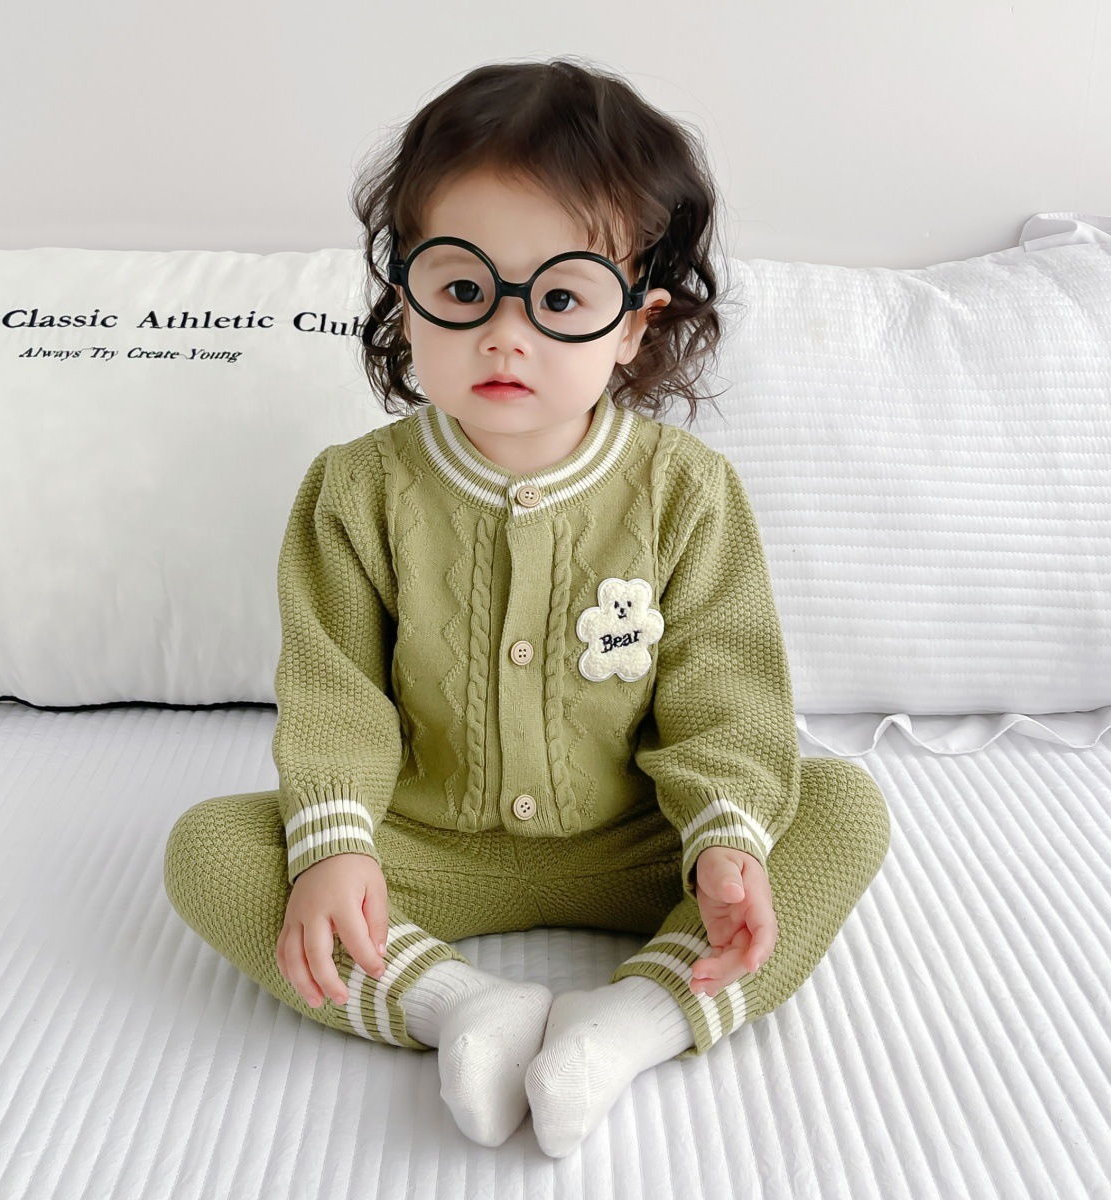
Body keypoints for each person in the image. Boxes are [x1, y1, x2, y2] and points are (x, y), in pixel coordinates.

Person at [163, 57, 890, 1158]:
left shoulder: (685, 492)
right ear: (405, 298)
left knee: (840, 809)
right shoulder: (355, 491)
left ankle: (633, 1019)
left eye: (559, 299)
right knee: (211, 849)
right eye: (464, 291)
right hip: (424, 846)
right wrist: (336, 845)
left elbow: (725, 692)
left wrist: (723, 842)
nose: (507, 334)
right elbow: (334, 695)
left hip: (641, 844)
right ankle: (458, 1006)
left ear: (634, 323)